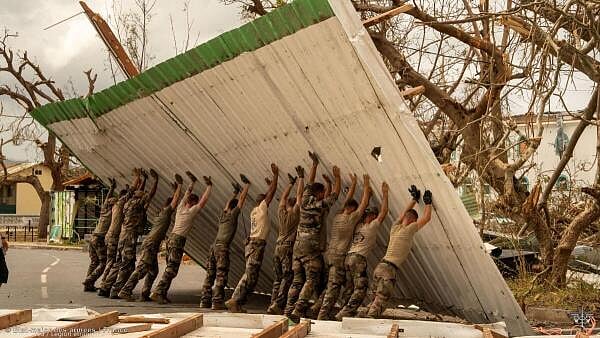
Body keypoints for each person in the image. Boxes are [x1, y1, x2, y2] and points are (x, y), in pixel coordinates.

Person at [285, 152, 341, 323]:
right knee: (311, 280)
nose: (325, 195)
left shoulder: (304, 200)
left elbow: (309, 183)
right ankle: (298, 309)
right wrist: (337, 178)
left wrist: (314, 165)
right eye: (323, 192)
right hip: (311, 248)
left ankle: (288, 309)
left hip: (298, 247)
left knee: (297, 280)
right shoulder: (320, 205)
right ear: (319, 194)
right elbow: (335, 195)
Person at [366, 186, 432, 318]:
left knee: (373, 298)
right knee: (380, 300)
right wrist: (428, 203)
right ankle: (368, 322)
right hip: (389, 269)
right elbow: (426, 218)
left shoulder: (395, 227)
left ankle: (361, 319)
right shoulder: (410, 229)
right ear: (413, 220)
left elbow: (403, 213)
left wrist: (414, 199)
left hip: (379, 267)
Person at [118, 174, 183, 301]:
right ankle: (125, 290)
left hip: (150, 243)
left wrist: (174, 190)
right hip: (151, 245)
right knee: (141, 269)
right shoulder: (165, 214)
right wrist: (179, 187)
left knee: (153, 271)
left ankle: (145, 293)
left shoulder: (160, 213)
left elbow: (171, 201)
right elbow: (174, 201)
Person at [151, 172, 213, 304]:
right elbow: (203, 201)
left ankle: (162, 293)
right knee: (172, 269)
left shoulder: (180, 208)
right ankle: (158, 291)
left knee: (170, 266)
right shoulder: (191, 212)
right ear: (193, 203)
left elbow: (185, 195)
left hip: (171, 238)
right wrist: (209, 186)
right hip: (178, 240)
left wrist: (192, 183)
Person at [226, 164, 279, 313]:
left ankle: (238, 303)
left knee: (253, 278)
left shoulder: (254, 211)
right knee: (249, 274)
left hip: (252, 243)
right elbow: (271, 193)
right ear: (263, 202)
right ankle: (234, 299)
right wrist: (275, 176)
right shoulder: (262, 208)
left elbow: (268, 194)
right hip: (257, 245)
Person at [317, 173, 371, 320]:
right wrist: (366, 185)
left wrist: (353, 183)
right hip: (340, 255)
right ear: (352, 209)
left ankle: (317, 306)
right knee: (333, 287)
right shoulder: (351, 218)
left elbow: (346, 201)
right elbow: (364, 203)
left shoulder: (338, 216)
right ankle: (322, 314)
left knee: (333, 282)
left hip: (330, 254)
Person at [336, 182, 389, 320]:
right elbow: (383, 213)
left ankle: (342, 310)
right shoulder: (371, 226)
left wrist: (368, 195)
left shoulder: (358, 225)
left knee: (349, 287)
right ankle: (345, 312)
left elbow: (360, 211)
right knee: (360, 288)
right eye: (374, 215)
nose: (376, 217)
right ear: (371, 216)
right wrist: (385, 194)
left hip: (348, 258)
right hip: (358, 259)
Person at [200, 175, 250, 310]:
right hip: (222, 248)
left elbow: (229, 204)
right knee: (221, 275)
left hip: (213, 247)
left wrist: (234, 192)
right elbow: (241, 201)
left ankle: (204, 300)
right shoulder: (233, 216)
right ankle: (216, 301)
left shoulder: (223, 216)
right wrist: (246, 186)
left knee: (210, 274)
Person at [108, 169, 158, 298]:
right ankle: (117, 290)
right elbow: (150, 195)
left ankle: (108, 287)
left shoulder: (128, 203)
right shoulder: (137, 204)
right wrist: (155, 181)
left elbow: (138, 192)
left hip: (122, 237)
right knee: (126, 265)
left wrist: (144, 180)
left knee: (122, 263)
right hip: (129, 237)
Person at [99, 169, 142, 296]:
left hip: (113, 236)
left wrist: (112, 187)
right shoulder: (123, 202)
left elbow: (132, 191)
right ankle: (109, 287)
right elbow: (133, 191)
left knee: (114, 262)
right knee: (118, 263)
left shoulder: (117, 204)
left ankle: (105, 286)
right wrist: (138, 177)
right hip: (116, 237)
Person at [266, 166, 304, 315]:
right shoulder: (295, 214)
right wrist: (301, 178)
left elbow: (282, 198)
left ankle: (272, 303)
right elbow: (300, 196)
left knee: (278, 277)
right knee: (287, 277)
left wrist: (290, 184)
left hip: (277, 247)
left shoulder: (281, 212)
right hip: (288, 248)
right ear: (293, 205)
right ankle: (278, 304)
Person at [82, 178, 117, 292]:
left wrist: (112, 188)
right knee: (103, 262)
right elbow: (112, 201)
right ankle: (89, 280)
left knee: (94, 262)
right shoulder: (112, 213)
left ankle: (88, 284)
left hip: (93, 237)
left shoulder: (104, 210)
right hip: (99, 239)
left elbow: (107, 199)